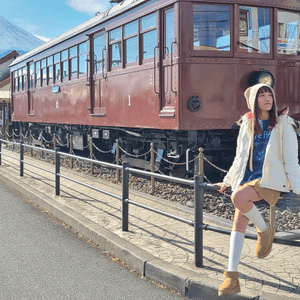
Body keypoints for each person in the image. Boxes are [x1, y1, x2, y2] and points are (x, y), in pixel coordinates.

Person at [215, 83, 300, 296]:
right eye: (261, 95)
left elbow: (291, 159)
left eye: (269, 94)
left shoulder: (283, 123)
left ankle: (264, 229)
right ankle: (231, 278)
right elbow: (240, 156)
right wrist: (227, 179)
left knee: (238, 197)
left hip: (270, 180)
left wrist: (298, 187)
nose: (267, 98)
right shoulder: (248, 123)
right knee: (238, 222)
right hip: (248, 178)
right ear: (254, 100)